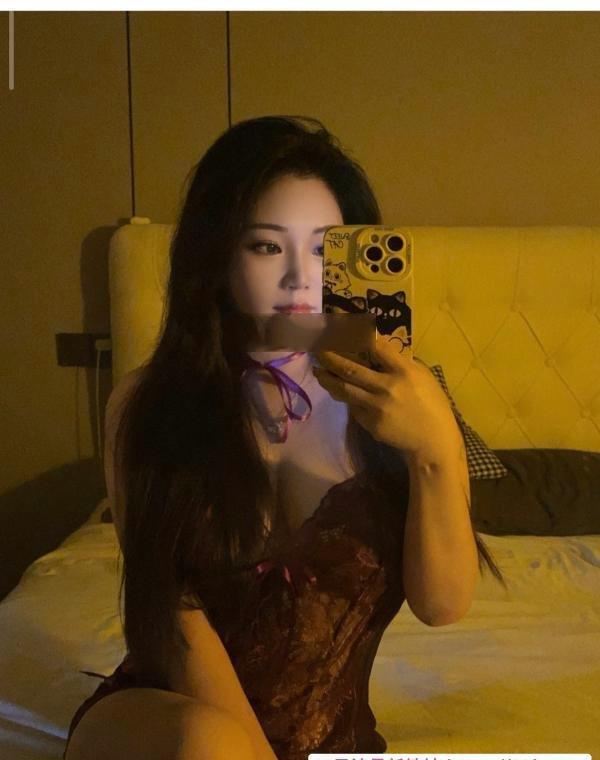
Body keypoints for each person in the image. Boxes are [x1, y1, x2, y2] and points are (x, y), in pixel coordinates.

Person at [63, 115, 505, 760]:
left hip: (331, 738)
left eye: (325, 249)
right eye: (267, 247)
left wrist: (433, 449)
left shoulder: (403, 397)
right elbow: (171, 620)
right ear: (217, 256)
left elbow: (441, 605)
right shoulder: (148, 402)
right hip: (171, 722)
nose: (301, 276)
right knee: (211, 743)